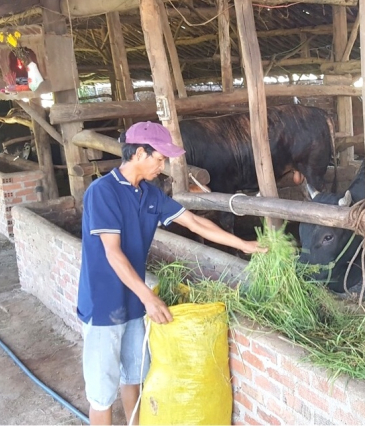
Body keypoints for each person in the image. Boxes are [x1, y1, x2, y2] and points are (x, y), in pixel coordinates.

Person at [76, 121, 266, 425]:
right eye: (159, 158)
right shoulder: (103, 192)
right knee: (102, 393)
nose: (162, 166)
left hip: (134, 304)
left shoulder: (149, 195)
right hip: (103, 305)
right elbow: (113, 253)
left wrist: (242, 244)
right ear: (139, 153)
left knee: (134, 378)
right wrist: (149, 298)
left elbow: (195, 223)